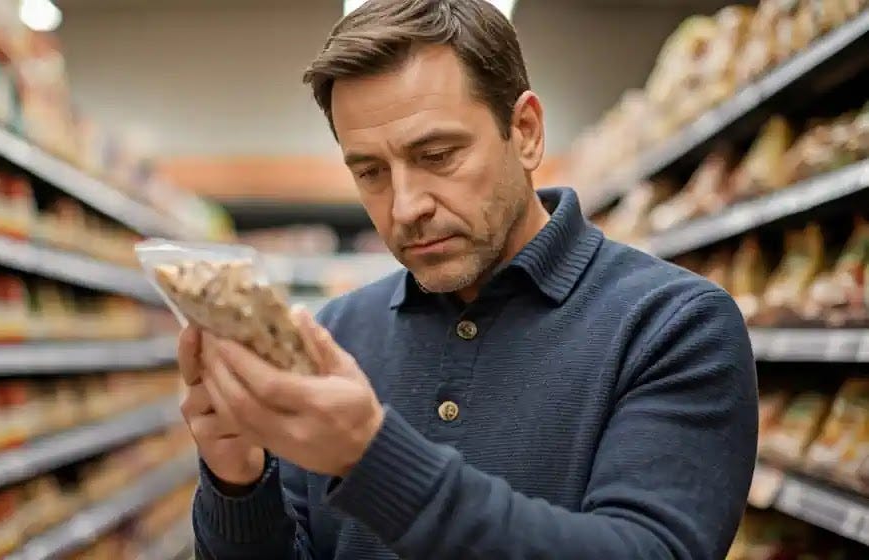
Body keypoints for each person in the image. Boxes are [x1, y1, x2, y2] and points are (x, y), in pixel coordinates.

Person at [180, 0, 758, 558]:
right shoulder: (336, 333)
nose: (405, 207)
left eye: (437, 155)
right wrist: (237, 481)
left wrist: (373, 457)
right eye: (371, 172)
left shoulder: (676, 326)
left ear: (526, 131)